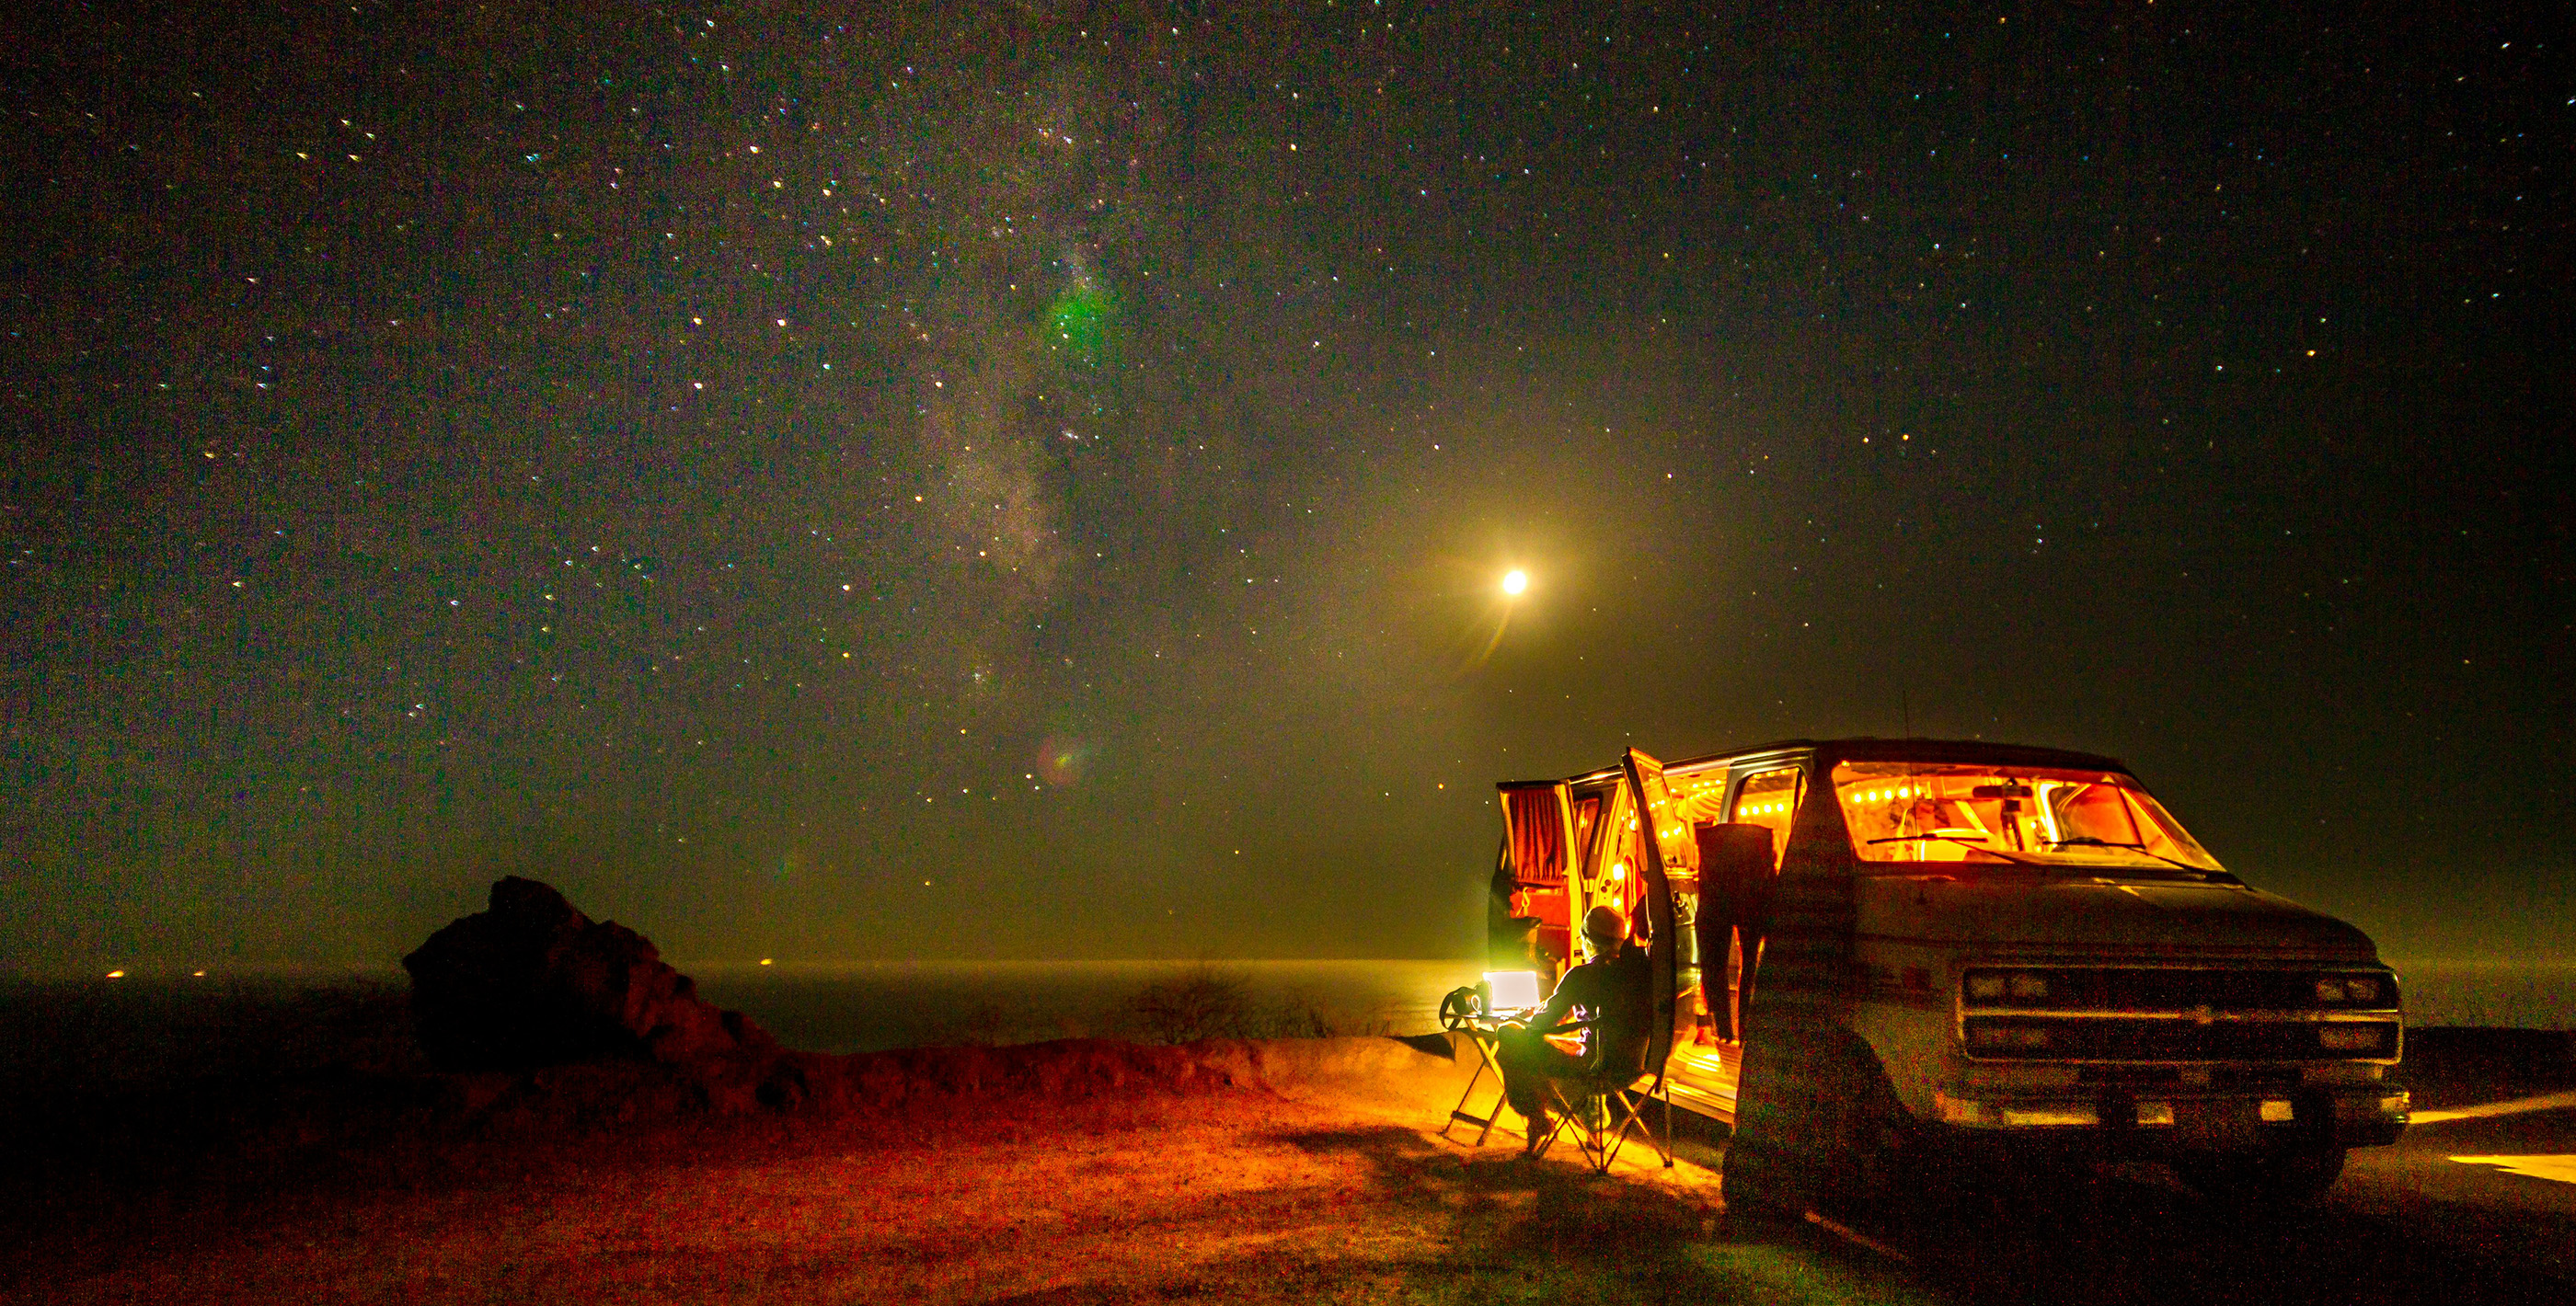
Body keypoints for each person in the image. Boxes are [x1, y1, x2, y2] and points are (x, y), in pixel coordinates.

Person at [1497, 904, 1653, 1156]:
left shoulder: (1581, 975)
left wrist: (1525, 1017)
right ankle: (1594, 1128)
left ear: (1588, 940)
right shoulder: (1640, 972)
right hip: (1635, 1067)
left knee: (1510, 1036)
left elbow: (1541, 1024)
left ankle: (1536, 1116)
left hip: (1596, 1069)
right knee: (1585, 1040)